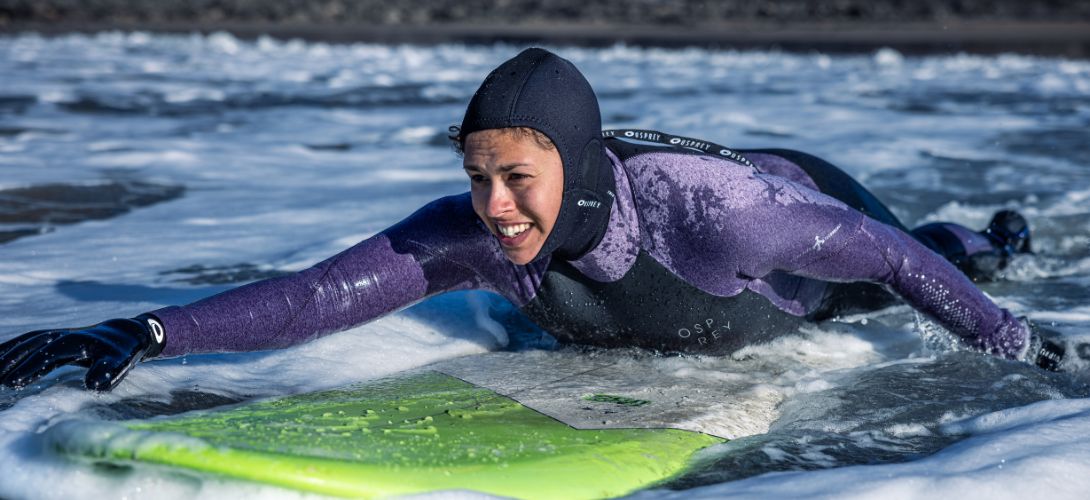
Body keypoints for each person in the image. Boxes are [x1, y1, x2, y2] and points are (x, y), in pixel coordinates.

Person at [0, 48, 1065, 392]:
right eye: (476, 178)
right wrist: (140, 331)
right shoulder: (476, 229)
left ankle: (995, 237)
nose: (491, 208)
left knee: (917, 258)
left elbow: (872, 250)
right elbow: (315, 296)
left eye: (514, 177)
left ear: (575, 161)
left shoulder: (724, 220)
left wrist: (1018, 345)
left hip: (812, 210)